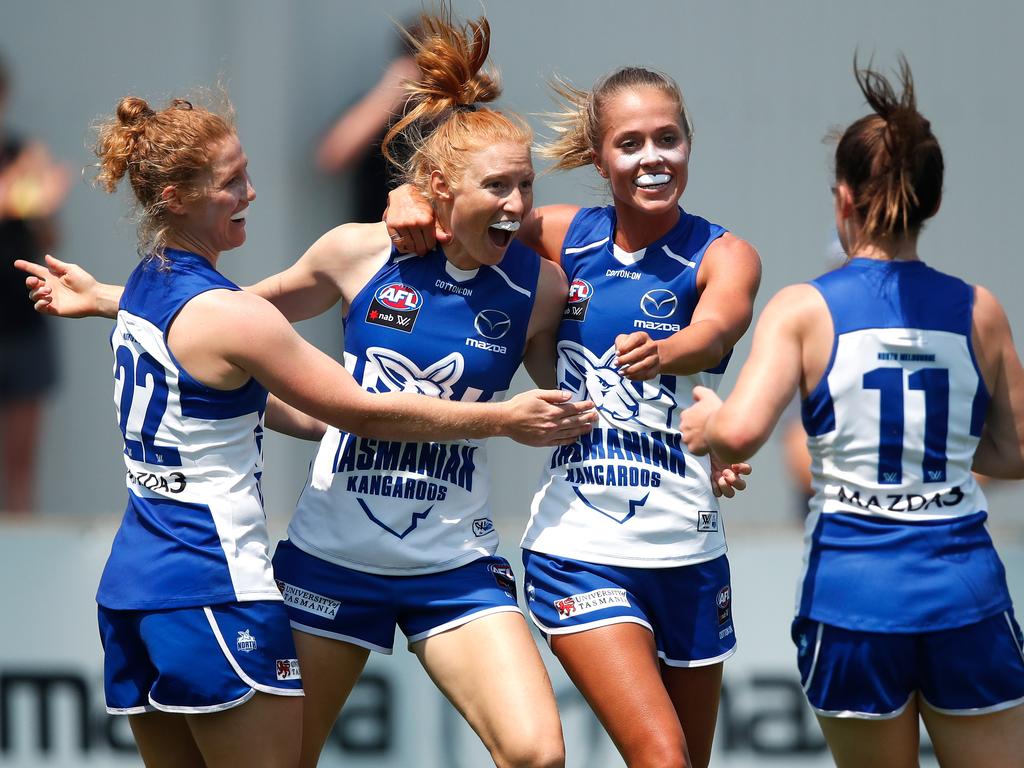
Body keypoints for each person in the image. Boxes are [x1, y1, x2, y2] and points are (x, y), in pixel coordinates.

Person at [17, 92, 594, 767]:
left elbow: (211, 330)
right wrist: (502, 420)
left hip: (449, 560)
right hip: (317, 561)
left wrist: (112, 300)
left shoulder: (541, 288)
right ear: (439, 185)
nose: (518, 202)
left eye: (526, 184)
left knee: (537, 754)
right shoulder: (356, 252)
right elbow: (242, 331)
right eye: (498, 185)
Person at [387, 65, 760, 768]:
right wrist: (407, 194)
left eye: (668, 138)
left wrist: (674, 355)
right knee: (662, 757)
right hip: (578, 543)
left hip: (690, 546)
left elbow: (715, 333)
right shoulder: (558, 234)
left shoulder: (725, 252)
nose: (652, 158)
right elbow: (463, 205)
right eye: (630, 143)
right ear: (598, 157)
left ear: (689, 142)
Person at [680, 57, 1024, 767]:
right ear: (931, 202)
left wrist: (708, 417)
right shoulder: (977, 308)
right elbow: (1017, 452)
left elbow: (741, 432)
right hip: (965, 591)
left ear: (842, 200)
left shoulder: (804, 307)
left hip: (853, 595)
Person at [0, 51, 70, 513]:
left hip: (21, 322)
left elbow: (47, 233)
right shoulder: (19, 165)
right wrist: (17, 191)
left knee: (21, 461)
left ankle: (19, 549)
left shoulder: (20, 153)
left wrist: (41, 204)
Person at [314, 18, 421, 224]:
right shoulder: (377, 111)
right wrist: (392, 92)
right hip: (378, 242)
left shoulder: (466, 113)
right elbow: (330, 158)